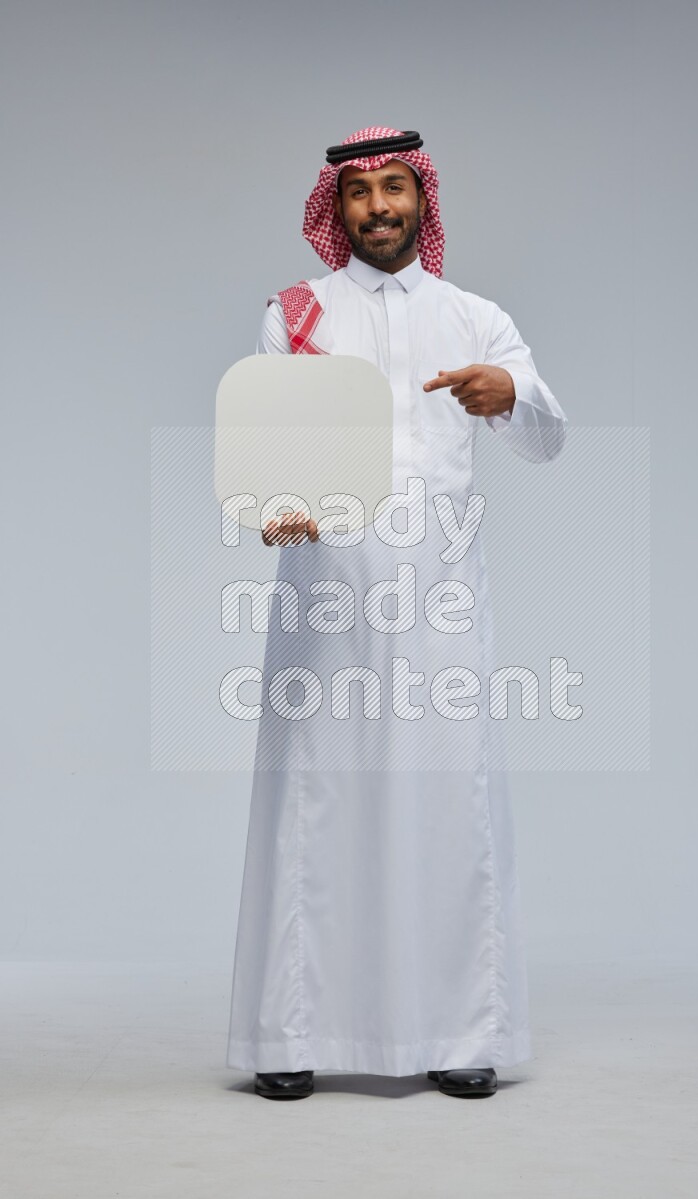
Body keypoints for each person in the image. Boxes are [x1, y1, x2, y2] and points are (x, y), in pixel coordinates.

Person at [226, 127, 567, 1100]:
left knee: (445, 807)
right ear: (333, 211)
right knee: (313, 807)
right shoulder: (295, 316)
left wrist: (510, 395)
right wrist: (271, 503)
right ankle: (288, 1031)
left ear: (422, 199)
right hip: (325, 601)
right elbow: (269, 458)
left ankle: (459, 1034)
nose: (378, 208)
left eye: (394, 190)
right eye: (359, 195)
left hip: (440, 608)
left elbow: (545, 435)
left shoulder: (474, 316)